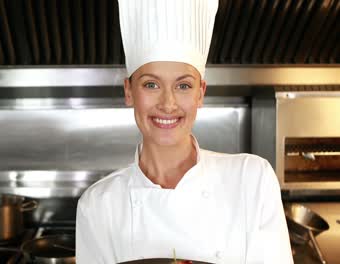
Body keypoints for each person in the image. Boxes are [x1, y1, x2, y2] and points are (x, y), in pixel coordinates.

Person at [76, 0, 293, 263]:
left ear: (200, 93)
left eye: (183, 86)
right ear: (129, 92)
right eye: (151, 84)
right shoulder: (98, 205)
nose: (168, 104)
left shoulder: (252, 180)